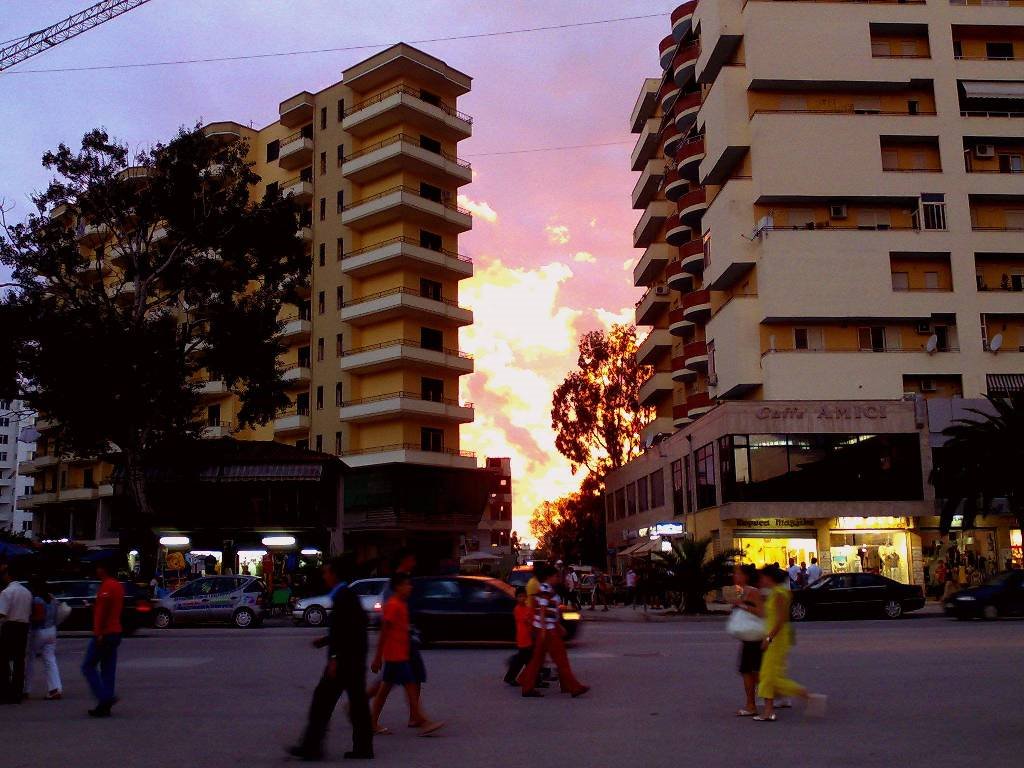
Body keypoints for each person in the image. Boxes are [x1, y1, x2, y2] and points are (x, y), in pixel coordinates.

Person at [288, 556, 373, 761]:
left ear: (334, 574)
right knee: (357, 704)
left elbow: (347, 630)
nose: (324, 575)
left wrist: (334, 657)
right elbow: (351, 627)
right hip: (353, 660)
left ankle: (312, 747)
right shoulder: (346, 596)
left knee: (322, 702)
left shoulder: (344, 597)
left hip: (345, 662)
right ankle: (362, 748)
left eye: (326, 572)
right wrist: (326, 640)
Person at [370, 574, 442, 736]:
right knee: (410, 686)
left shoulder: (400, 605)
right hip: (396, 656)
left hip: (399, 654)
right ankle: (423, 721)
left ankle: (372, 722)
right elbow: (384, 631)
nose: (410, 588)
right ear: (397, 587)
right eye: (406, 585)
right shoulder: (393, 605)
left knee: (384, 690)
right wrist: (377, 657)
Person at [754, 566, 826, 722]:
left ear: (770, 578)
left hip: (777, 639)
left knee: (768, 676)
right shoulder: (776, 593)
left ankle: (806, 696)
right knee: (772, 675)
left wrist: (768, 638)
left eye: (763, 577)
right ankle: (771, 709)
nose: (761, 580)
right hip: (778, 637)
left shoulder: (779, 594)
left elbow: (781, 619)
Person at [520, 565, 589, 698]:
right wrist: (546, 628)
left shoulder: (546, 588)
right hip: (547, 630)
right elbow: (542, 609)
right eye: (556, 576)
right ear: (548, 577)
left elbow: (548, 609)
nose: (558, 578)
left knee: (538, 660)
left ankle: (526, 684)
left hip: (545, 629)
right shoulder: (546, 588)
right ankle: (573, 687)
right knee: (561, 659)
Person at [81, 561, 124, 717]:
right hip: (115, 631)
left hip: (106, 632)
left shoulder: (107, 586)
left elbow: (104, 612)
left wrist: (99, 632)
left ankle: (104, 698)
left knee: (88, 666)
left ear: (103, 569)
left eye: (98, 567)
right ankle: (104, 705)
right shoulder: (118, 585)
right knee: (108, 668)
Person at [728, 564, 764, 717]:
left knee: (749, 671)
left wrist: (742, 605)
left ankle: (752, 704)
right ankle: (768, 695)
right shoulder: (742, 591)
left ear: (746, 576)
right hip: (748, 637)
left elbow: (761, 612)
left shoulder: (753, 592)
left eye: (738, 573)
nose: (734, 576)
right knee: (750, 672)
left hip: (754, 638)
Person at [24, 576, 62, 700]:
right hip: (52, 629)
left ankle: (26, 688)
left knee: (30, 659)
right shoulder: (52, 598)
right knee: (50, 659)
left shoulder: (37, 600)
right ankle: (55, 688)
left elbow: (38, 617)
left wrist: (28, 619)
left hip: (39, 631)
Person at [0, 563, 33, 704]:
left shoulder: (6, 592)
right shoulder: (27, 592)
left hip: (10, 626)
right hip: (23, 627)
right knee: (19, 660)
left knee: (3, 660)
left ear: (8, 575)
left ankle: (5, 691)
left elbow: (2, 613)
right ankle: (17, 691)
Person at [504, 587, 533, 686]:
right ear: (516, 598)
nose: (522, 598)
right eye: (520, 596)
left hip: (528, 637)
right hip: (522, 637)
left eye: (524, 596)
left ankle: (511, 677)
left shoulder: (528, 608)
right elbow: (525, 620)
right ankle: (531, 679)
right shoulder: (517, 609)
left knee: (524, 659)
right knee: (526, 660)